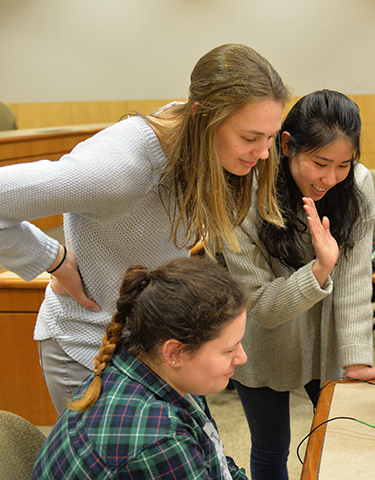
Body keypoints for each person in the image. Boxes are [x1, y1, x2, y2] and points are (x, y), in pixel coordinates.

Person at [0, 43, 289, 413]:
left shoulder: (198, 139)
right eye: (250, 138)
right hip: (89, 349)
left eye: (269, 137)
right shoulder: (118, 170)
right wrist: (52, 258)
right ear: (202, 117)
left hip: (151, 350)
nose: (263, 152)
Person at [221, 89, 375, 480]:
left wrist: (356, 358)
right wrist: (318, 271)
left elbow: (354, 281)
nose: (330, 178)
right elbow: (261, 305)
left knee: (341, 443)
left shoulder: (357, 185)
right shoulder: (243, 194)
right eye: (319, 163)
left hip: (328, 338)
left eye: (344, 164)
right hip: (263, 342)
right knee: (271, 447)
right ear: (285, 146)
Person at [31, 257, 249, 479]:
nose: (243, 357)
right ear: (174, 353)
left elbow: (215, 460)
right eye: (229, 350)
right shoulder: (161, 440)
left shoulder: (150, 367)